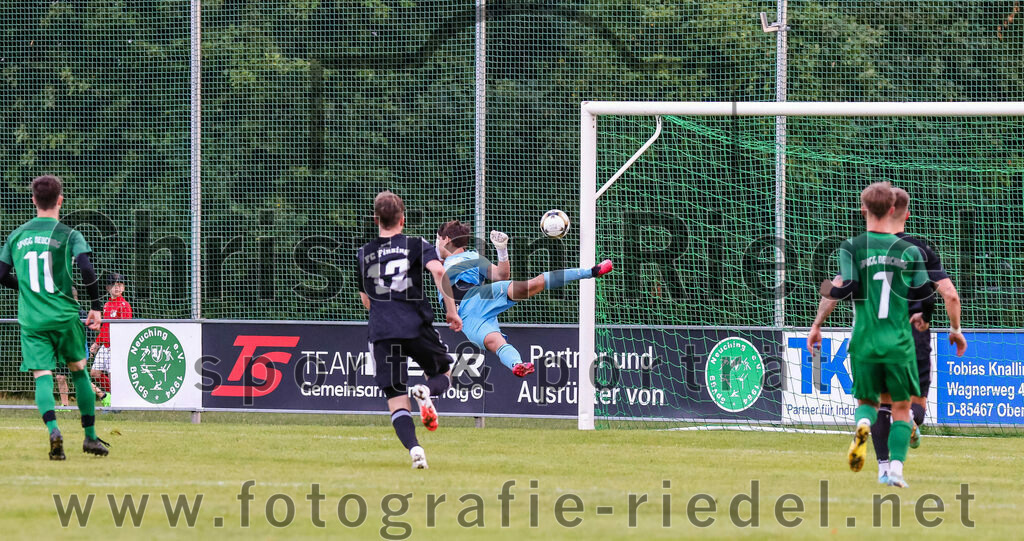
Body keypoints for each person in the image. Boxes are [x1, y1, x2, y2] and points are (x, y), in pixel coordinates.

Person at [808, 186, 966, 484]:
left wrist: (818, 316)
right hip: (903, 339)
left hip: (865, 339)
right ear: (897, 210)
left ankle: (866, 433)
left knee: (871, 403)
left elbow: (841, 289)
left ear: (863, 209)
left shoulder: (852, 247)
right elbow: (935, 296)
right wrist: (933, 321)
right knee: (904, 406)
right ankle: (896, 466)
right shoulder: (913, 251)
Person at [0, 175, 109, 460]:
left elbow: (0, 275)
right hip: (64, 316)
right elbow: (86, 268)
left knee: (42, 376)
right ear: (60, 200)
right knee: (79, 370)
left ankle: (53, 429)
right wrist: (96, 306)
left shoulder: (17, 236)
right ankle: (89, 437)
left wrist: (23, 286)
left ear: (33, 200)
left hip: (33, 321)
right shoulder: (69, 234)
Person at [357, 191, 462, 469]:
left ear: (376, 219)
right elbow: (439, 272)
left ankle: (415, 449)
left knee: (396, 398)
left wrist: (384, 312)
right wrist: (451, 312)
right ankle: (427, 392)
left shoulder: (364, 253)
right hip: (415, 325)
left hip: (382, 331)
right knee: (443, 373)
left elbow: (366, 300)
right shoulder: (417, 244)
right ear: (403, 219)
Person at [435, 220, 613, 377]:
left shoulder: (471, 257)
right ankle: (517, 365)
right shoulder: (441, 263)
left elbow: (501, 275)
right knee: (495, 342)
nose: (436, 244)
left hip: (478, 297)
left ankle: (590, 271)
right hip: (468, 318)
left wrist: (502, 250)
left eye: (438, 238)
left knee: (531, 285)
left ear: (447, 240)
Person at [91, 273, 133, 407]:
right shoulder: (107, 305)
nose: (117, 288)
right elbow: (105, 327)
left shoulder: (124, 305)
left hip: (116, 346)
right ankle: (113, 396)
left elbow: (126, 328)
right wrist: (97, 343)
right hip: (105, 345)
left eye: (120, 285)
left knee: (113, 375)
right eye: (114, 285)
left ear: (124, 288)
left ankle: (117, 403)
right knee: (94, 373)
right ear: (108, 288)